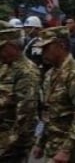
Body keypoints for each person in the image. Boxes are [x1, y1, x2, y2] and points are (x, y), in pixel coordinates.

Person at [32, 26, 75, 162]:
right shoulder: (51, 74)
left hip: (71, 149)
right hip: (53, 145)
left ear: (61, 45)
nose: (42, 53)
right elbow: (48, 112)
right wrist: (40, 143)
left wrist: (66, 150)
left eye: (46, 48)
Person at [0, 28, 40, 163]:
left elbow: (26, 113)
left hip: (11, 143)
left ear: (12, 47)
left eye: (1, 48)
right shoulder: (6, 66)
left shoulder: (26, 71)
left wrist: (11, 145)